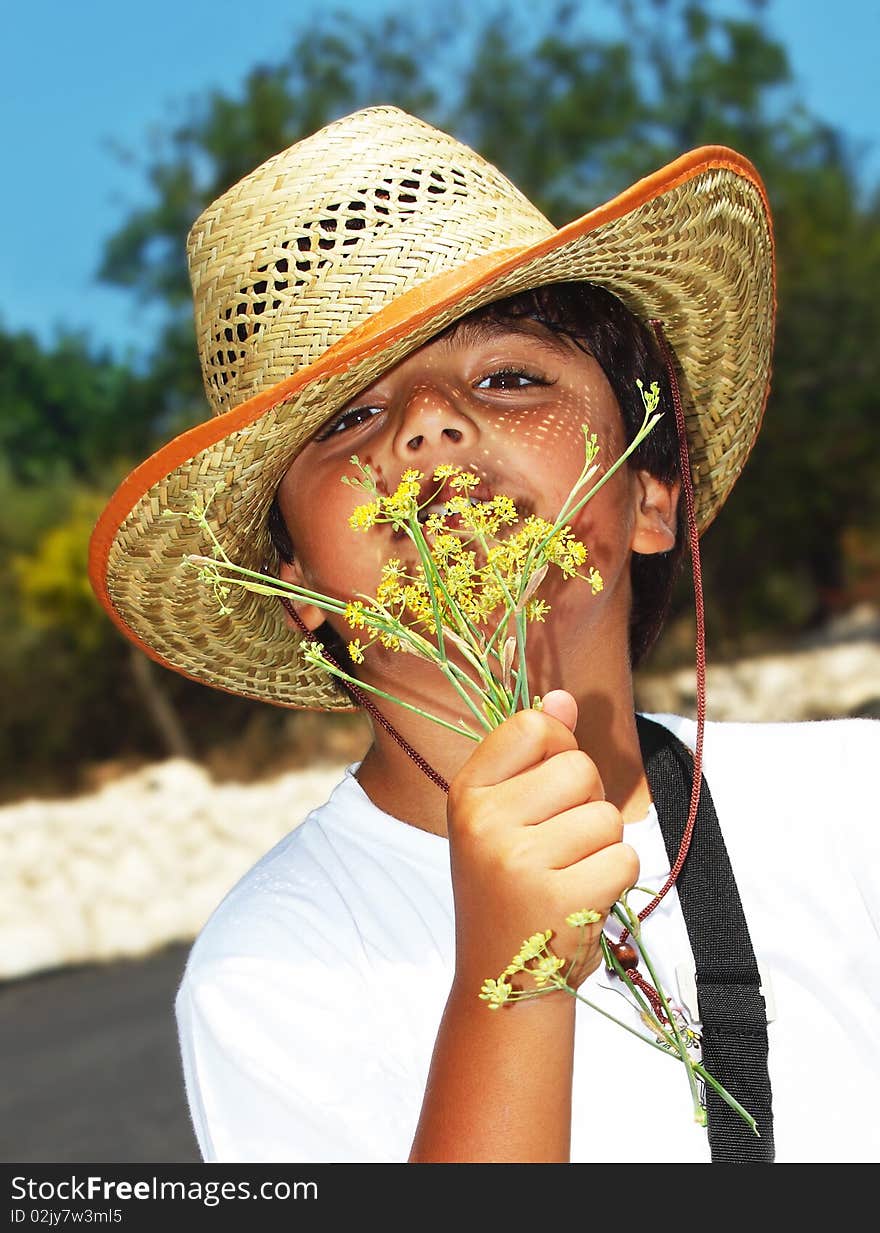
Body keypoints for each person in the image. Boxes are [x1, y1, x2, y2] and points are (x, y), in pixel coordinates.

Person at [88, 106, 880, 1164]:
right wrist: (514, 980)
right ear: (297, 588)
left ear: (650, 494)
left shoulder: (849, 806)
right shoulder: (280, 964)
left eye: (509, 378)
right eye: (346, 421)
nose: (427, 426)